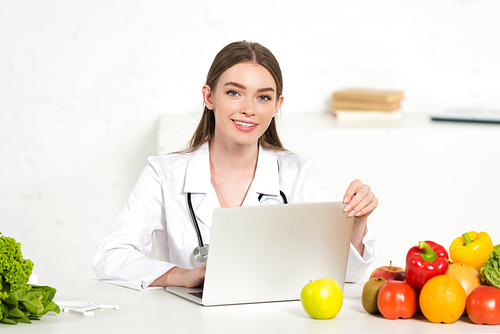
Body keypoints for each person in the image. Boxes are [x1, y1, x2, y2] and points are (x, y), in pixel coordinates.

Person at [92, 41, 378, 290]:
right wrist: (182, 275)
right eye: (234, 92)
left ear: (277, 105)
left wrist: (357, 224)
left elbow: (343, 275)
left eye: (263, 97)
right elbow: (111, 257)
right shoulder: (164, 173)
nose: (249, 108)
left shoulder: (299, 174)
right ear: (208, 97)